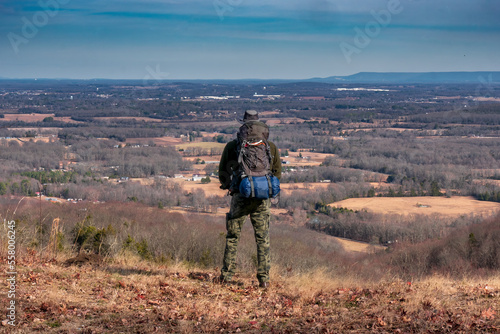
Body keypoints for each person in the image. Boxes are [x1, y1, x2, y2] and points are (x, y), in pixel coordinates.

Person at [217, 110, 282, 288]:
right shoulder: (270, 146)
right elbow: (277, 173)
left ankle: (227, 276)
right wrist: (263, 188)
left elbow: (223, 172)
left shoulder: (233, 146)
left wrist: (230, 186)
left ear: (243, 125)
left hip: (240, 196)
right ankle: (264, 279)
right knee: (263, 239)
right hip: (262, 199)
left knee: (232, 237)